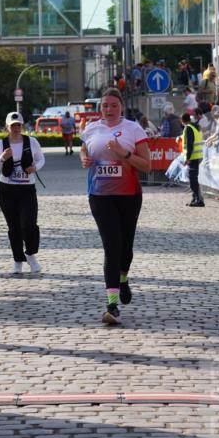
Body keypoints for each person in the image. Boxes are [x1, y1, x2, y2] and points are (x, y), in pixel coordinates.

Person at [80, 88, 151, 326]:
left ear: (121, 106)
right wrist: (85, 158)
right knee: (111, 245)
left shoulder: (133, 129)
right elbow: (85, 149)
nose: (108, 109)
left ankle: (123, 278)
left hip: (129, 195)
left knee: (126, 247)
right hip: (99, 196)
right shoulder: (91, 129)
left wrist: (125, 154)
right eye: (104, 106)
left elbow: (147, 166)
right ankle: (112, 305)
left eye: (113, 105)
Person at [0, 111, 45, 277]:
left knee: (29, 225)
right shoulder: (0, 144)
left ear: (22, 126)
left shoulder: (31, 142)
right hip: (7, 191)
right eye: (13, 126)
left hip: (27, 190)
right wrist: (3, 159)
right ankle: (17, 261)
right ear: (7, 127)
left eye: (18, 125)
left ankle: (30, 254)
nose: (16, 128)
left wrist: (36, 168)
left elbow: (41, 159)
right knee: (14, 228)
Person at [181, 112, 204, 207]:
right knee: (193, 179)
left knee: (193, 180)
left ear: (182, 121)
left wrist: (188, 158)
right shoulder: (195, 127)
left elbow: (189, 144)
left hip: (193, 157)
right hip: (197, 156)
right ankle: (195, 198)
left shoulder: (188, 128)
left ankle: (199, 200)